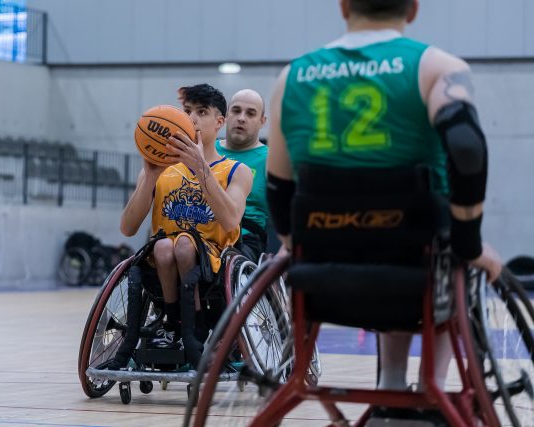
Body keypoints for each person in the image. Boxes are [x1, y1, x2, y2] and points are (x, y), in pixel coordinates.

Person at [266, 0, 502, 419]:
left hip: (322, 271)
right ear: (412, 9)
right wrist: (469, 241)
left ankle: (390, 381)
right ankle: (434, 387)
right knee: (446, 251)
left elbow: (279, 188)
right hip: (416, 260)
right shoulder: (436, 66)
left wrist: (292, 243)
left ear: (343, 7)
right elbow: (466, 148)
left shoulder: (292, 76)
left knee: (404, 239)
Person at [118, 83, 253, 368]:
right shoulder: (161, 168)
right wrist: (150, 178)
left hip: (212, 264)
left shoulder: (236, 171)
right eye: (187, 111)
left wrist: (201, 168)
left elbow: (230, 221)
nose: (191, 119)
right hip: (162, 261)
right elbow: (127, 228)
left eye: (201, 112)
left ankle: (196, 325)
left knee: (181, 244)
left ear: (219, 122)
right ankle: (172, 320)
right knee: (167, 245)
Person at [216, 89, 269, 262]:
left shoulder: (270, 160)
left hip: (244, 239)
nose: (241, 118)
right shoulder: (206, 150)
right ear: (226, 116)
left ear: (262, 121)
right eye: (236, 110)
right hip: (200, 230)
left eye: (250, 113)